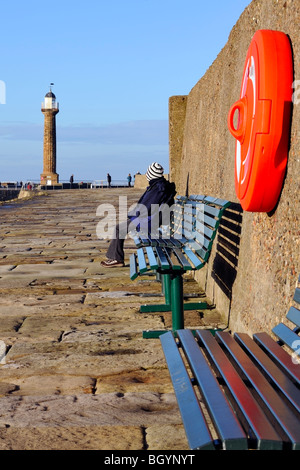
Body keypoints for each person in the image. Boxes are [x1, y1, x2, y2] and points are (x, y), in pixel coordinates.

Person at [101, 162, 176, 267]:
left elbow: (146, 208)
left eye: (148, 173)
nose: (146, 175)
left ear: (151, 174)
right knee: (120, 228)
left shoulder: (157, 188)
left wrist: (133, 216)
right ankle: (115, 258)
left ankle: (116, 259)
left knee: (119, 229)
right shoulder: (158, 186)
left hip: (150, 221)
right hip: (152, 218)